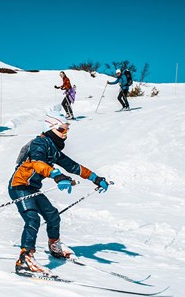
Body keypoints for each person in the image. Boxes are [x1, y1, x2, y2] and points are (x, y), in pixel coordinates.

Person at [9, 111, 110, 275]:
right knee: (32, 219)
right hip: (19, 186)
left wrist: (95, 178)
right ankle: (25, 259)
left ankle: (55, 246)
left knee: (53, 215)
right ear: (51, 128)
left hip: (32, 188)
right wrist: (57, 175)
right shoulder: (39, 144)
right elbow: (38, 164)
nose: (65, 133)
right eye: (62, 129)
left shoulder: (52, 147)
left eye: (67, 129)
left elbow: (73, 166)